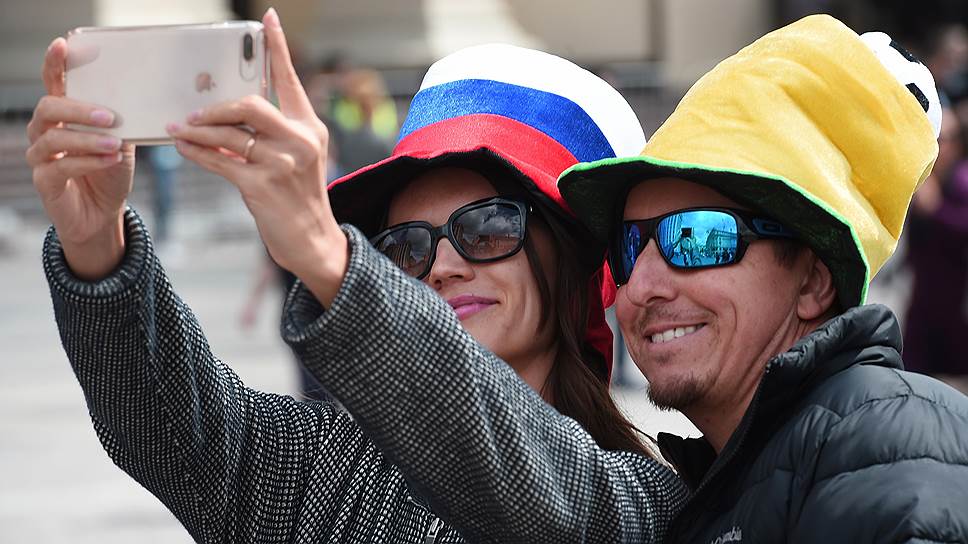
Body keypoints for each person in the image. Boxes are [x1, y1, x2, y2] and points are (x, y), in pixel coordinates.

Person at [27, 8, 685, 543]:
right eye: (405, 248)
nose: (442, 267)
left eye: (486, 229)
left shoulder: (645, 502)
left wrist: (323, 251)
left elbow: (524, 480)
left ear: (576, 260)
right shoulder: (317, 468)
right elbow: (166, 422)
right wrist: (96, 240)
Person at [554, 14, 968, 541]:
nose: (640, 286)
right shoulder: (760, 470)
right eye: (629, 246)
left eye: (700, 237)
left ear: (814, 281)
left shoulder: (892, 461)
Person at [904, 101, 968, 391]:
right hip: (922, 301)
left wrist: (936, 210)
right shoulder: (924, 181)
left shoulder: (962, 181)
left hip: (954, 307)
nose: (940, 147)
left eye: (946, 139)